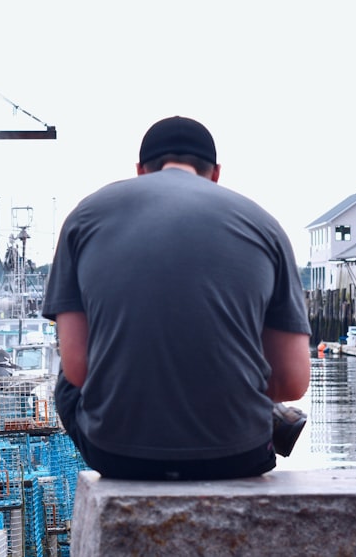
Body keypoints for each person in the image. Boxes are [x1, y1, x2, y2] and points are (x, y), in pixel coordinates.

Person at [43, 116, 311, 481]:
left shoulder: (84, 216)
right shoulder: (264, 224)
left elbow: (77, 368)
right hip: (237, 455)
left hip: (119, 455)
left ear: (141, 170)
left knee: (65, 373)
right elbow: (292, 382)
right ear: (215, 173)